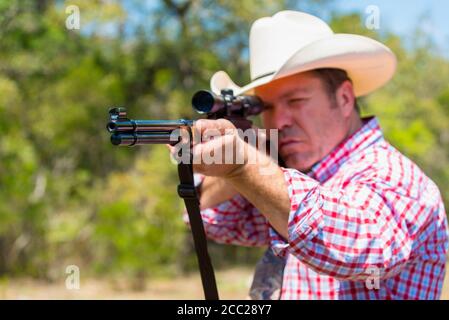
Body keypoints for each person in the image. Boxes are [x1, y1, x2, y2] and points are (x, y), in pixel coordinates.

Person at [183, 10, 449, 299]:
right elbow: (215, 219)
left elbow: (355, 247)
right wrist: (243, 159)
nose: (280, 120)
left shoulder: (392, 174)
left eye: (296, 100)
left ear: (344, 99)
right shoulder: (296, 176)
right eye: (267, 108)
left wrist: (244, 164)